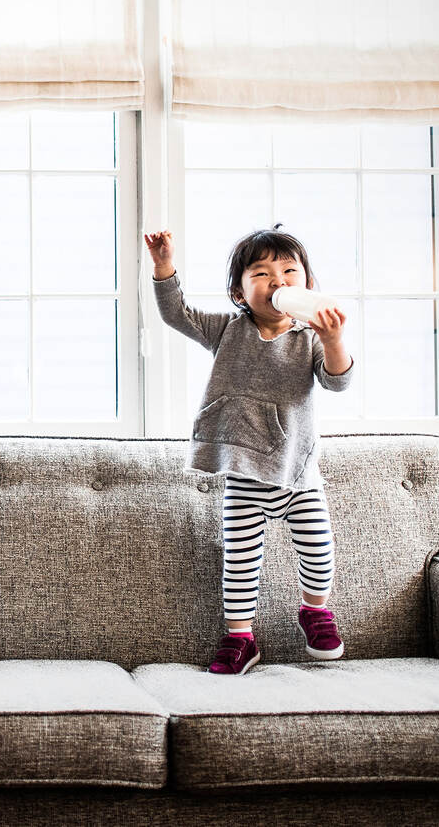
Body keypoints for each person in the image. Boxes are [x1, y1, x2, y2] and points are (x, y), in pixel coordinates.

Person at [144, 225, 354, 675]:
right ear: (240, 292)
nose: (277, 280)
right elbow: (176, 314)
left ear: (307, 287)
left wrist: (334, 339)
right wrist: (164, 266)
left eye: (288, 271)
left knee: (319, 551)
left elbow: (337, 381)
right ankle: (240, 638)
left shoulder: (309, 338)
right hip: (242, 473)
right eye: (260, 273)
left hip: (297, 473)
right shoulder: (228, 332)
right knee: (239, 564)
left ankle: (315, 611)